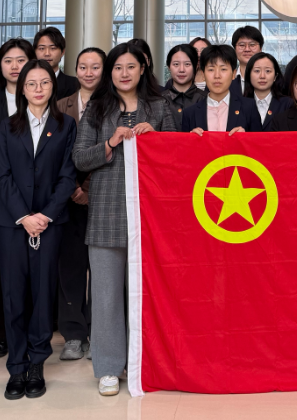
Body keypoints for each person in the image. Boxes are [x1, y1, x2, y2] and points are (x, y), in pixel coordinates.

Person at [74, 43, 176, 396]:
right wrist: (110, 142)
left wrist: (156, 141)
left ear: (142, 69)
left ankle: (142, 362)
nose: (124, 73)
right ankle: (108, 366)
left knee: (145, 295)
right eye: (117, 67)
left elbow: (177, 157)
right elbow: (79, 158)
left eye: (131, 66)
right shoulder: (97, 108)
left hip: (149, 216)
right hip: (106, 212)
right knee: (105, 297)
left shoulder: (160, 106)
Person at [0, 59, 80, 399]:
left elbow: (68, 175)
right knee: (13, 296)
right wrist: (24, 216)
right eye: (31, 83)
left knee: (43, 295)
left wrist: (44, 215)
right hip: (12, 223)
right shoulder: (7, 125)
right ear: (22, 88)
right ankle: (16, 366)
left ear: (52, 87)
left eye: (44, 82)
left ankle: (36, 364)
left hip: (50, 222)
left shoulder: (66, 125)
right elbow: (2, 176)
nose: (38, 89)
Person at [0, 38, 36, 360]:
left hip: (35, 198)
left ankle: (32, 330)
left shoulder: (41, 97)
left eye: (21, 60)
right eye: (8, 60)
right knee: (0, 269)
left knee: (32, 268)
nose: (14, 66)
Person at [54, 46, 105, 362]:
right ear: (75, 70)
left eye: (95, 67)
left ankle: (100, 332)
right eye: (83, 67)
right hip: (68, 200)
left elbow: (111, 152)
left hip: (102, 199)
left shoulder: (113, 104)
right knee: (71, 269)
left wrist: (88, 190)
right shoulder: (61, 105)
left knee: (102, 271)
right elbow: (56, 153)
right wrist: (73, 188)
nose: (88, 72)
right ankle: (73, 334)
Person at [181, 45, 255, 133]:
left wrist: (246, 137)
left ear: (233, 74)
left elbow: (260, 140)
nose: (217, 76)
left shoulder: (249, 107)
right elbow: (182, 142)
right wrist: (191, 138)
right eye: (211, 70)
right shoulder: (190, 113)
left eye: (223, 69)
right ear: (203, 74)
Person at [242, 51, 292, 130]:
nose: (262, 76)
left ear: (275, 76)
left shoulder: (288, 104)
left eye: (268, 71)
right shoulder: (239, 105)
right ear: (249, 75)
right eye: (257, 71)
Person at [33, 27, 79, 100]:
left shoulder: (75, 84)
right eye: (42, 48)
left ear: (62, 52)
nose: (47, 53)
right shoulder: (26, 83)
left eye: (53, 48)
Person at [161, 44, 205, 112]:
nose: (181, 70)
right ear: (169, 67)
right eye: (176, 64)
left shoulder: (206, 100)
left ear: (196, 66)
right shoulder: (158, 101)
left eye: (187, 64)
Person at [229, 25, 266, 100]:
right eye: (242, 45)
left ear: (260, 49)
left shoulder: (270, 78)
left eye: (252, 45)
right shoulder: (226, 79)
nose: (247, 49)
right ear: (234, 49)